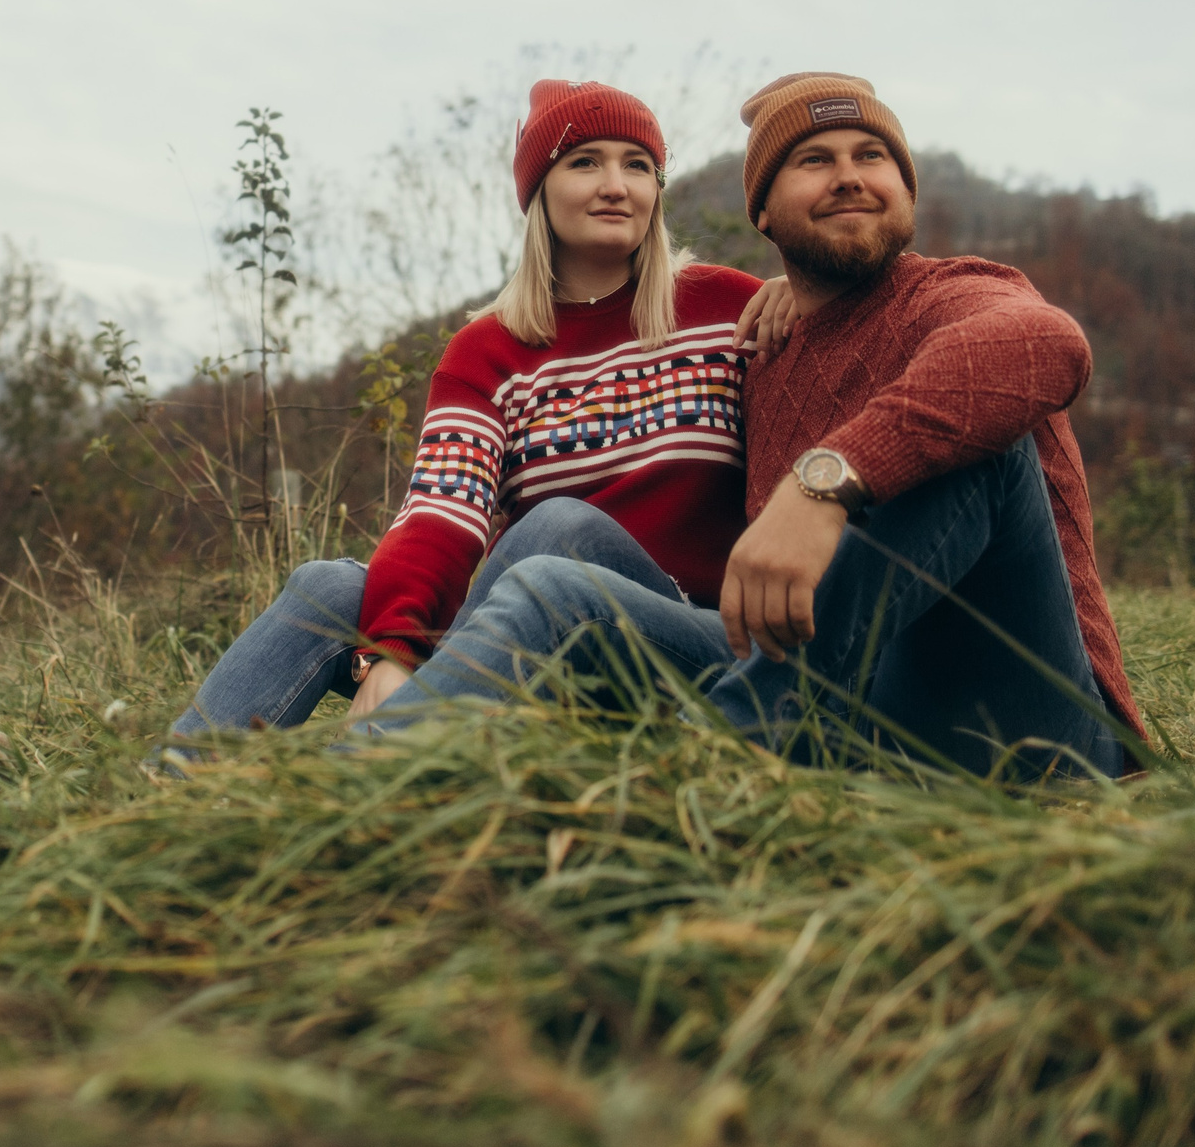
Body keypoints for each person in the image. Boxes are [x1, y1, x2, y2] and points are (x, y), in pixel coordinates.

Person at [358, 72, 1148, 779]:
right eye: (814, 160)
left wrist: (827, 481)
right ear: (763, 209)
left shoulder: (955, 294)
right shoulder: (760, 350)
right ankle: (360, 781)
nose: (849, 178)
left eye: (872, 155)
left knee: (974, 439)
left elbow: (1045, 344)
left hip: (1032, 718)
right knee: (551, 580)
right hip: (858, 712)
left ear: (907, 190)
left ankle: (723, 746)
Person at [171, 79, 790, 741]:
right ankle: (173, 793)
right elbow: (444, 508)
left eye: (637, 165)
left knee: (559, 527)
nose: (617, 185)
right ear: (538, 192)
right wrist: (393, 649)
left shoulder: (731, 307)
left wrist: (804, 293)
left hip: (692, 639)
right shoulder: (489, 349)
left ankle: (365, 778)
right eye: (586, 162)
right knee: (328, 587)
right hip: (534, 630)